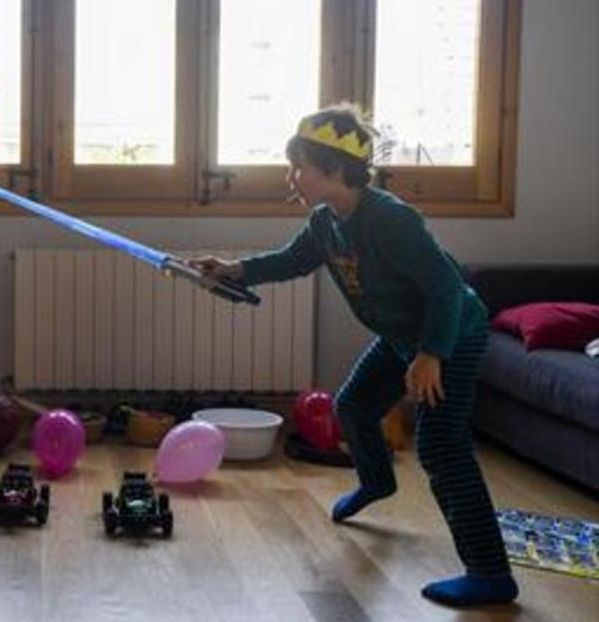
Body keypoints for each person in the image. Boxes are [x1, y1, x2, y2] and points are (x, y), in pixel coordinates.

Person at [192, 106, 517, 607]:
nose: (291, 178)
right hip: (400, 337)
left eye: (298, 166)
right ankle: (377, 481)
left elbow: (447, 289)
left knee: (441, 447)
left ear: (335, 168)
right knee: (354, 407)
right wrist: (232, 270)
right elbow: (289, 261)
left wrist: (432, 354)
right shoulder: (325, 222)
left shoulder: (389, 218)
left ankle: (491, 573)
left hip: (452, 334)